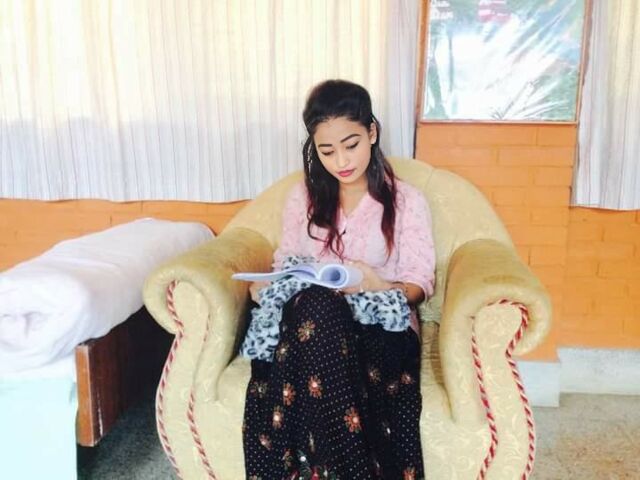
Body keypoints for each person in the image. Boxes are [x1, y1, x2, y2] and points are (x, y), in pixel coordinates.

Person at [241, 79, 435, 480]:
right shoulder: (303, 198)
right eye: (327, 151)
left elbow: (419, 283)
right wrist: (270, 288)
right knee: (317, 307)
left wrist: (378, 284)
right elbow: (287, 260)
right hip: (313, 326)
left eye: (351, 145)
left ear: (372, 133)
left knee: (316, 321)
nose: (341, 161)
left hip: (377, 330)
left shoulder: (406, 200)